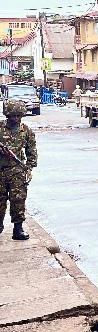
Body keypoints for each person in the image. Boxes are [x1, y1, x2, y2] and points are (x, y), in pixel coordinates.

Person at [0, 101, 36, 240]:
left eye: (18, 116)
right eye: (12, 116)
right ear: (7, 115)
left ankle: (18, 229)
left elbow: (31, 151)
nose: (15, 119)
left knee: (18, 200)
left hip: (17, 171)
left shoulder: (26, 130)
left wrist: (29, 169)